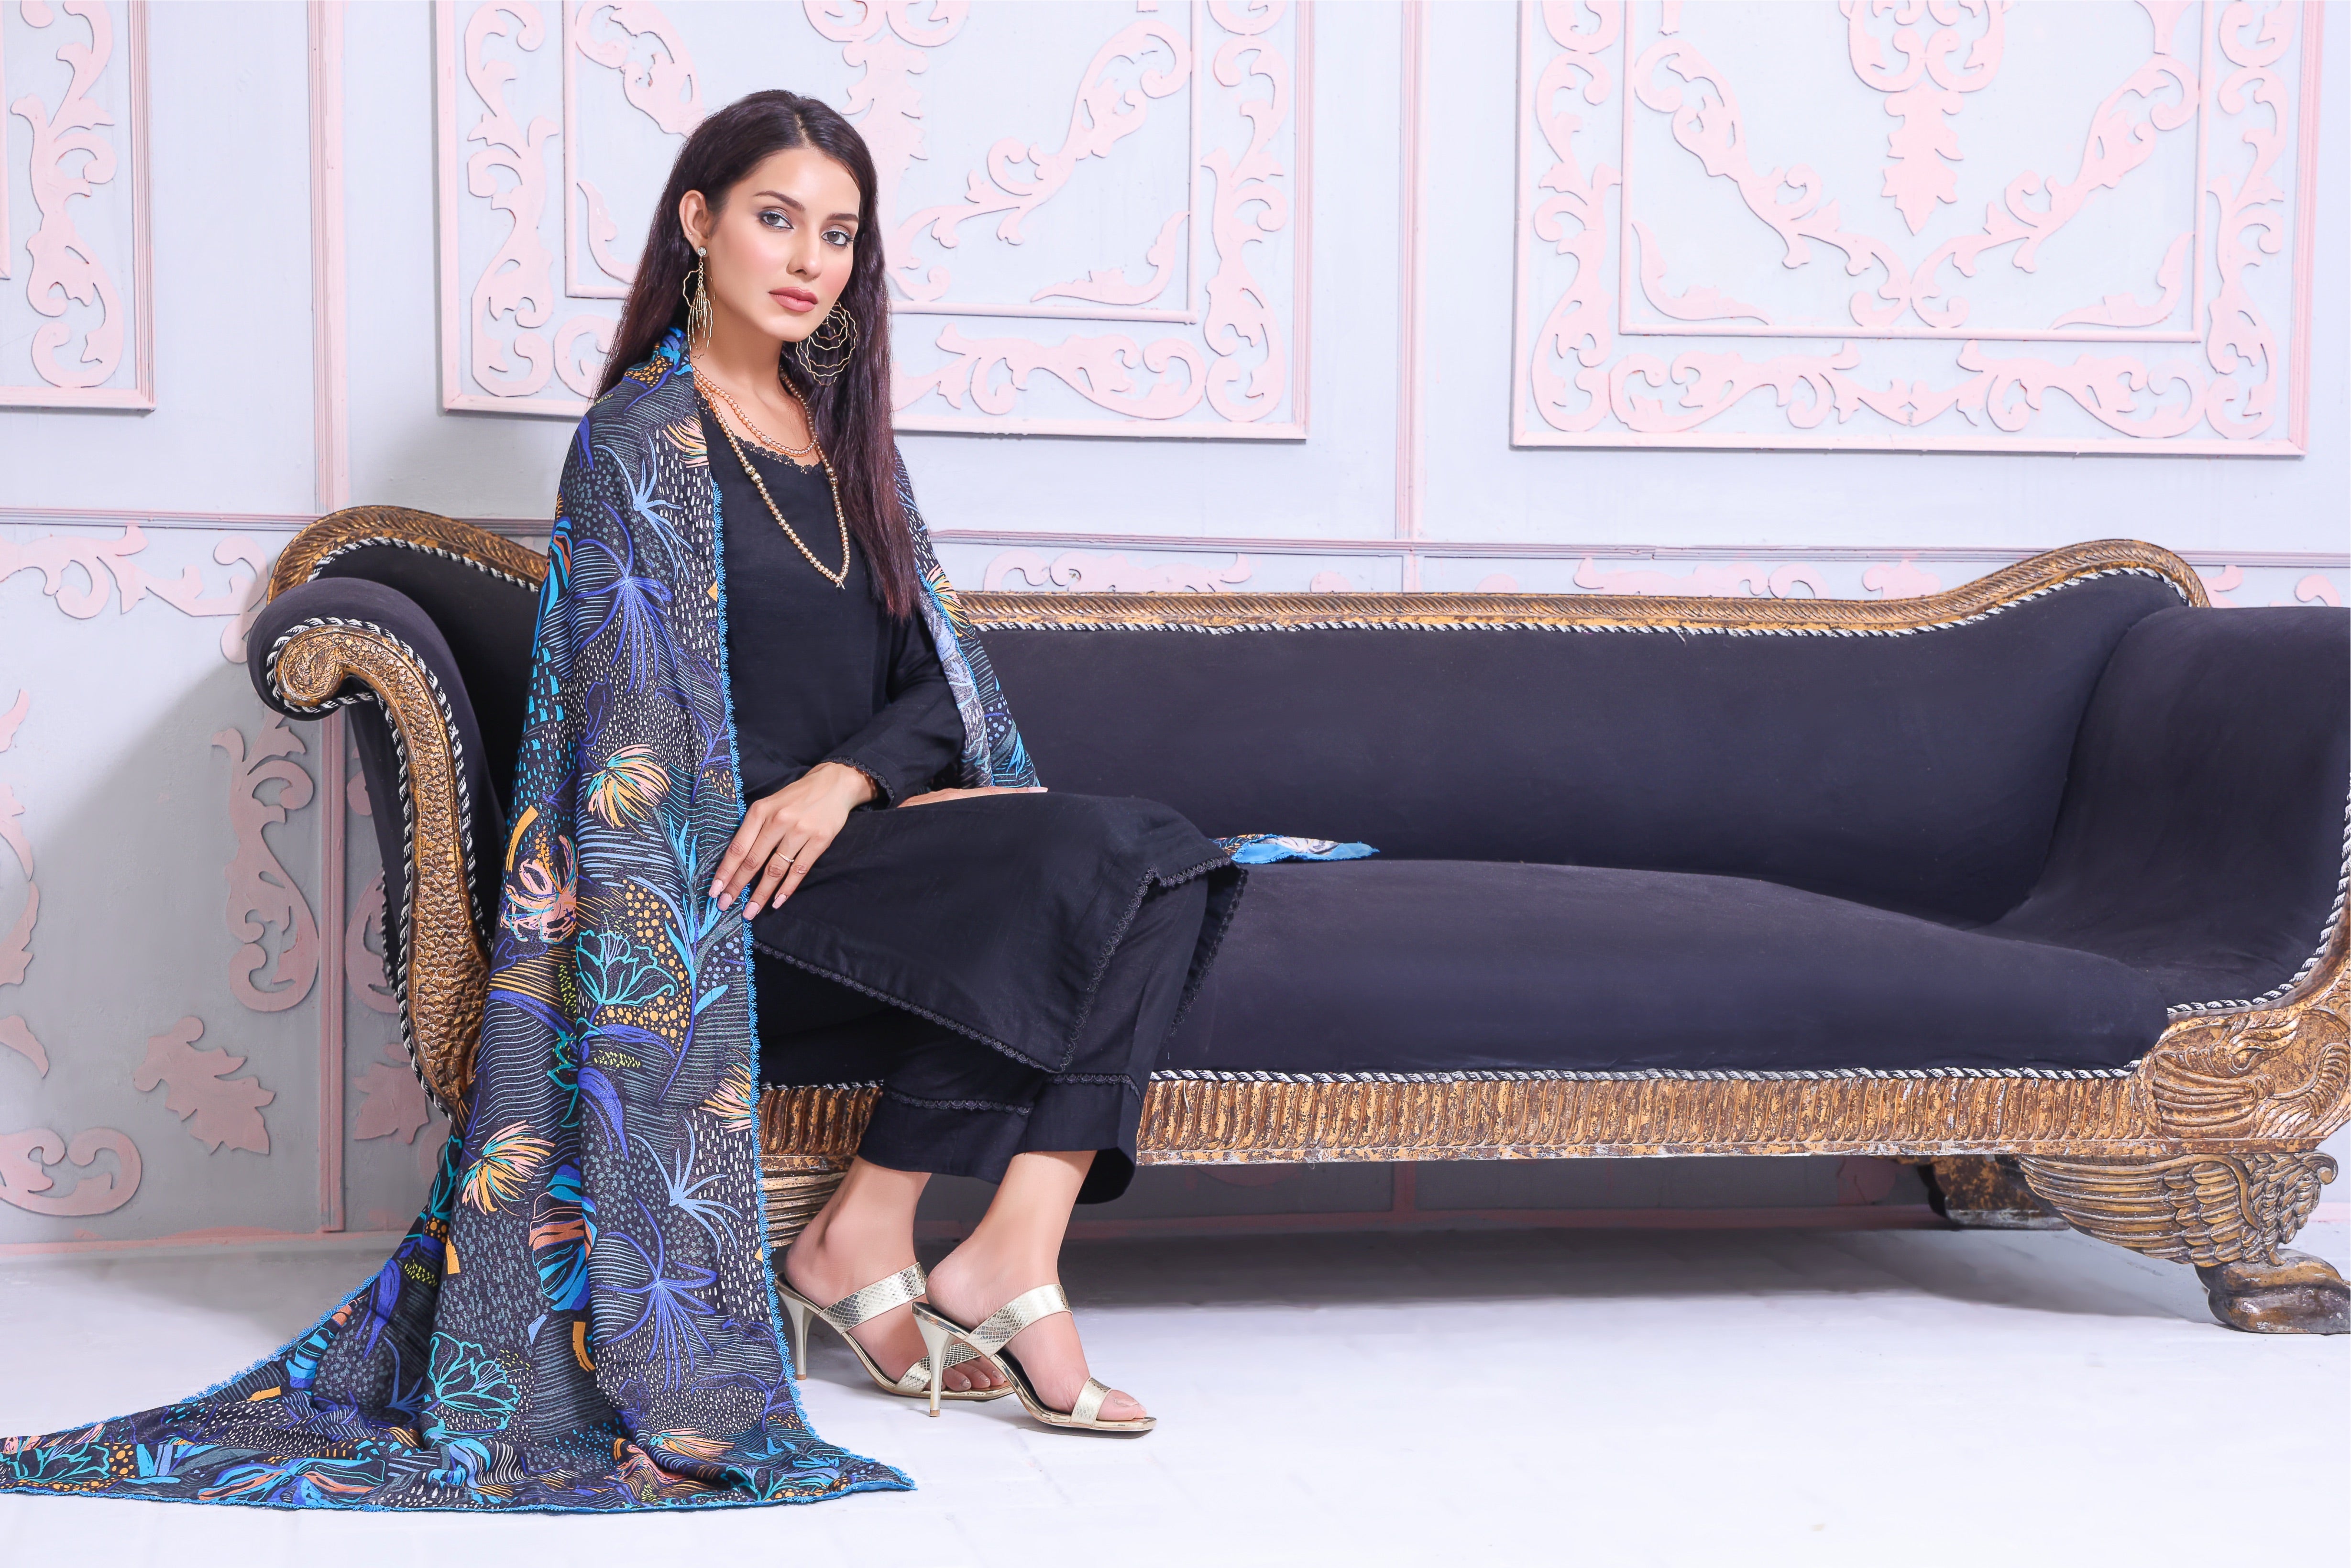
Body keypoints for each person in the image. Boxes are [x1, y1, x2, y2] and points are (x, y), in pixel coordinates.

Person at [598, 89, 1244, 1435]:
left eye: (838, 234)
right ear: (699, 222)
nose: (807, 260)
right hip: (729, 887)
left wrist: (845, 782)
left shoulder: (841, 440)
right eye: (777, 219)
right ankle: (916, 1252)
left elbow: (939, 691)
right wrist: (793, 805)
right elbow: (628, 727)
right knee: (1121, 864)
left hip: (855, 850)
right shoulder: (641, 443)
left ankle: (969, 1242)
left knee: (1162, 866)